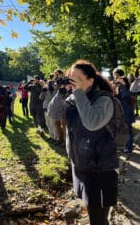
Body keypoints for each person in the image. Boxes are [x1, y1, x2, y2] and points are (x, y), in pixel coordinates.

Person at [50, 60, 119, 225]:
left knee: (98, 219)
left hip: (100, 170)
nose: (72, 81)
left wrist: (79, 93)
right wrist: (60, 93)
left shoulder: (104, 100)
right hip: (81, 166)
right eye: (70, 77)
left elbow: (92, 122)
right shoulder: (73, 97)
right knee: (92, 212)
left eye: (77, 78)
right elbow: (54, 113)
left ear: (91, 80)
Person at [113, 76, 135, 153]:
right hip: (122, 113)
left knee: (128, 131)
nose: (119, 82)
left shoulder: (127, 89)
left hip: (127, 113)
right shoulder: (120, 88)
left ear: (125, 81)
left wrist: (123, 85)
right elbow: (116, 97)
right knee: (124, 131)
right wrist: (116, 87)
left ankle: (129, 148)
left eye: (121, 81)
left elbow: (126, 96)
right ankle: (125, 147)